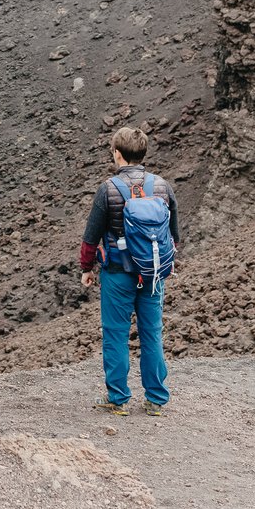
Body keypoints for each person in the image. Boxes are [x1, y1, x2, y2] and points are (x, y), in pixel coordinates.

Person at [79, 126, 180, 416]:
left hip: (116, 273)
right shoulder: (162, 186)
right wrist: (163, 265)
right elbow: (173, 235)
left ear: (117, 154)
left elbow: (91, 236)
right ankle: (156, 399)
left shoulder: (108, 189)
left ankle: (118, 397)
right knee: (152, 334)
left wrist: (87, 268)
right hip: (152, 275)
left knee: (116, 334)